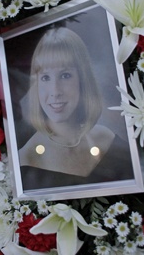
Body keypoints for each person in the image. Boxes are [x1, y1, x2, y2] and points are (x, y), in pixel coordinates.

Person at [18, 27, 133, 190]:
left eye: (65, 76)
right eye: (45, 77)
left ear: (83, 79)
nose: (55, 91)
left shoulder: (108, 140)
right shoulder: (25, 160)